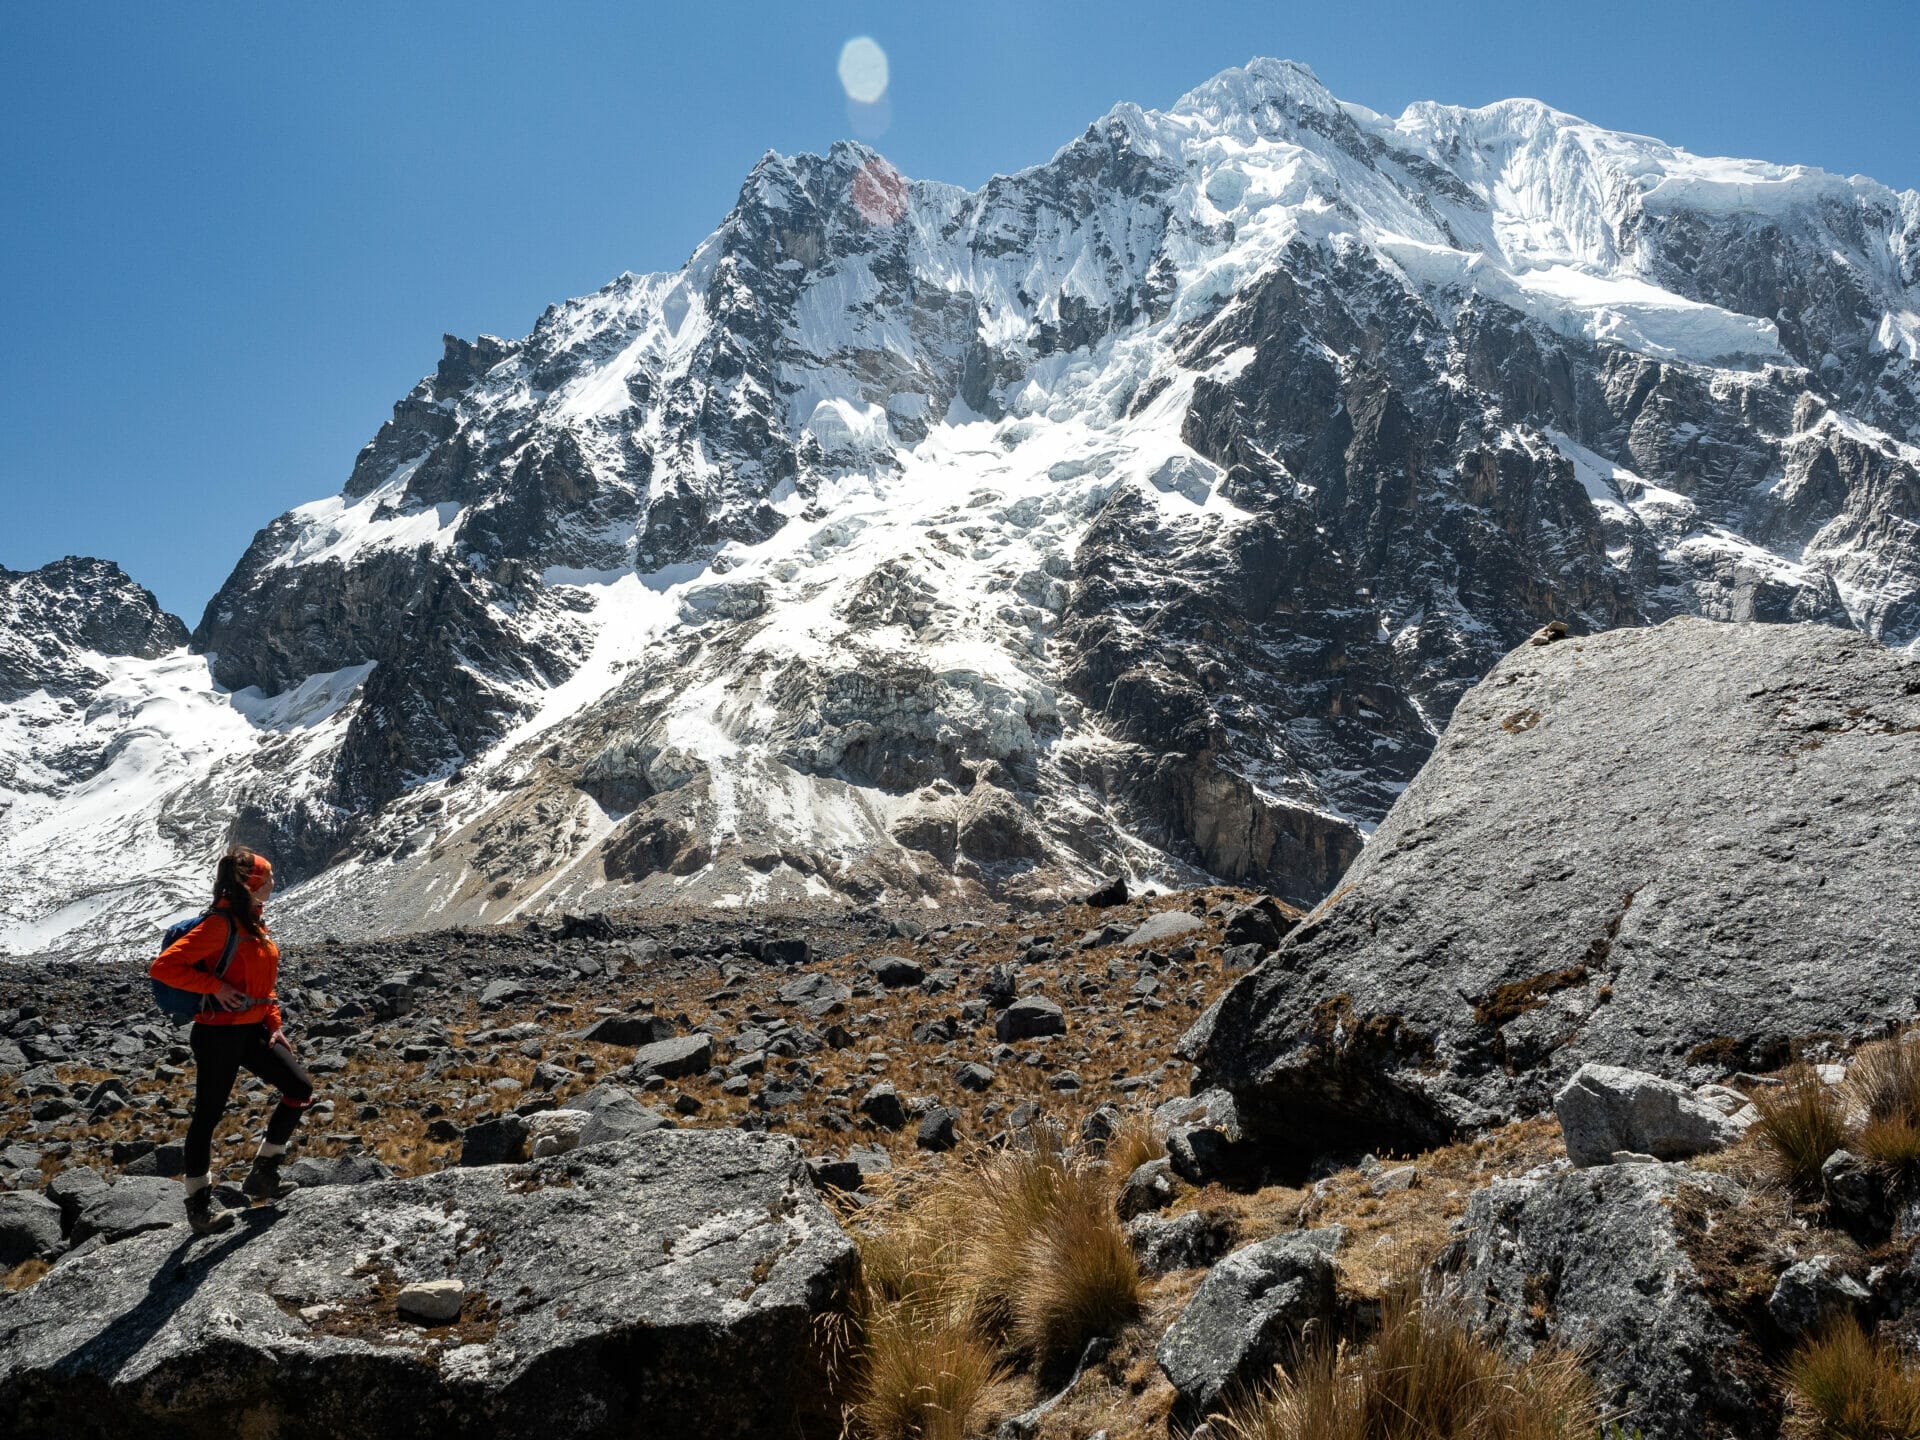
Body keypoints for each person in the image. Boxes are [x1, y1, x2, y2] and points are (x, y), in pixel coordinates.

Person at [149, 846, 315, 1234]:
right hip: (218, 1033)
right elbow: (164, 967)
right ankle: (199, 1206)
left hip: (253, 1029)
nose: (274, 882)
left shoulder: (253, 923)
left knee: (299, 1088)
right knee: (208, 1115)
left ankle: (262, 1176)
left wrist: (274, 1022)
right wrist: (214, 987)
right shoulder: (220, 925)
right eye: (268, 877)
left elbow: (262, 984)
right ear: (252, 883)